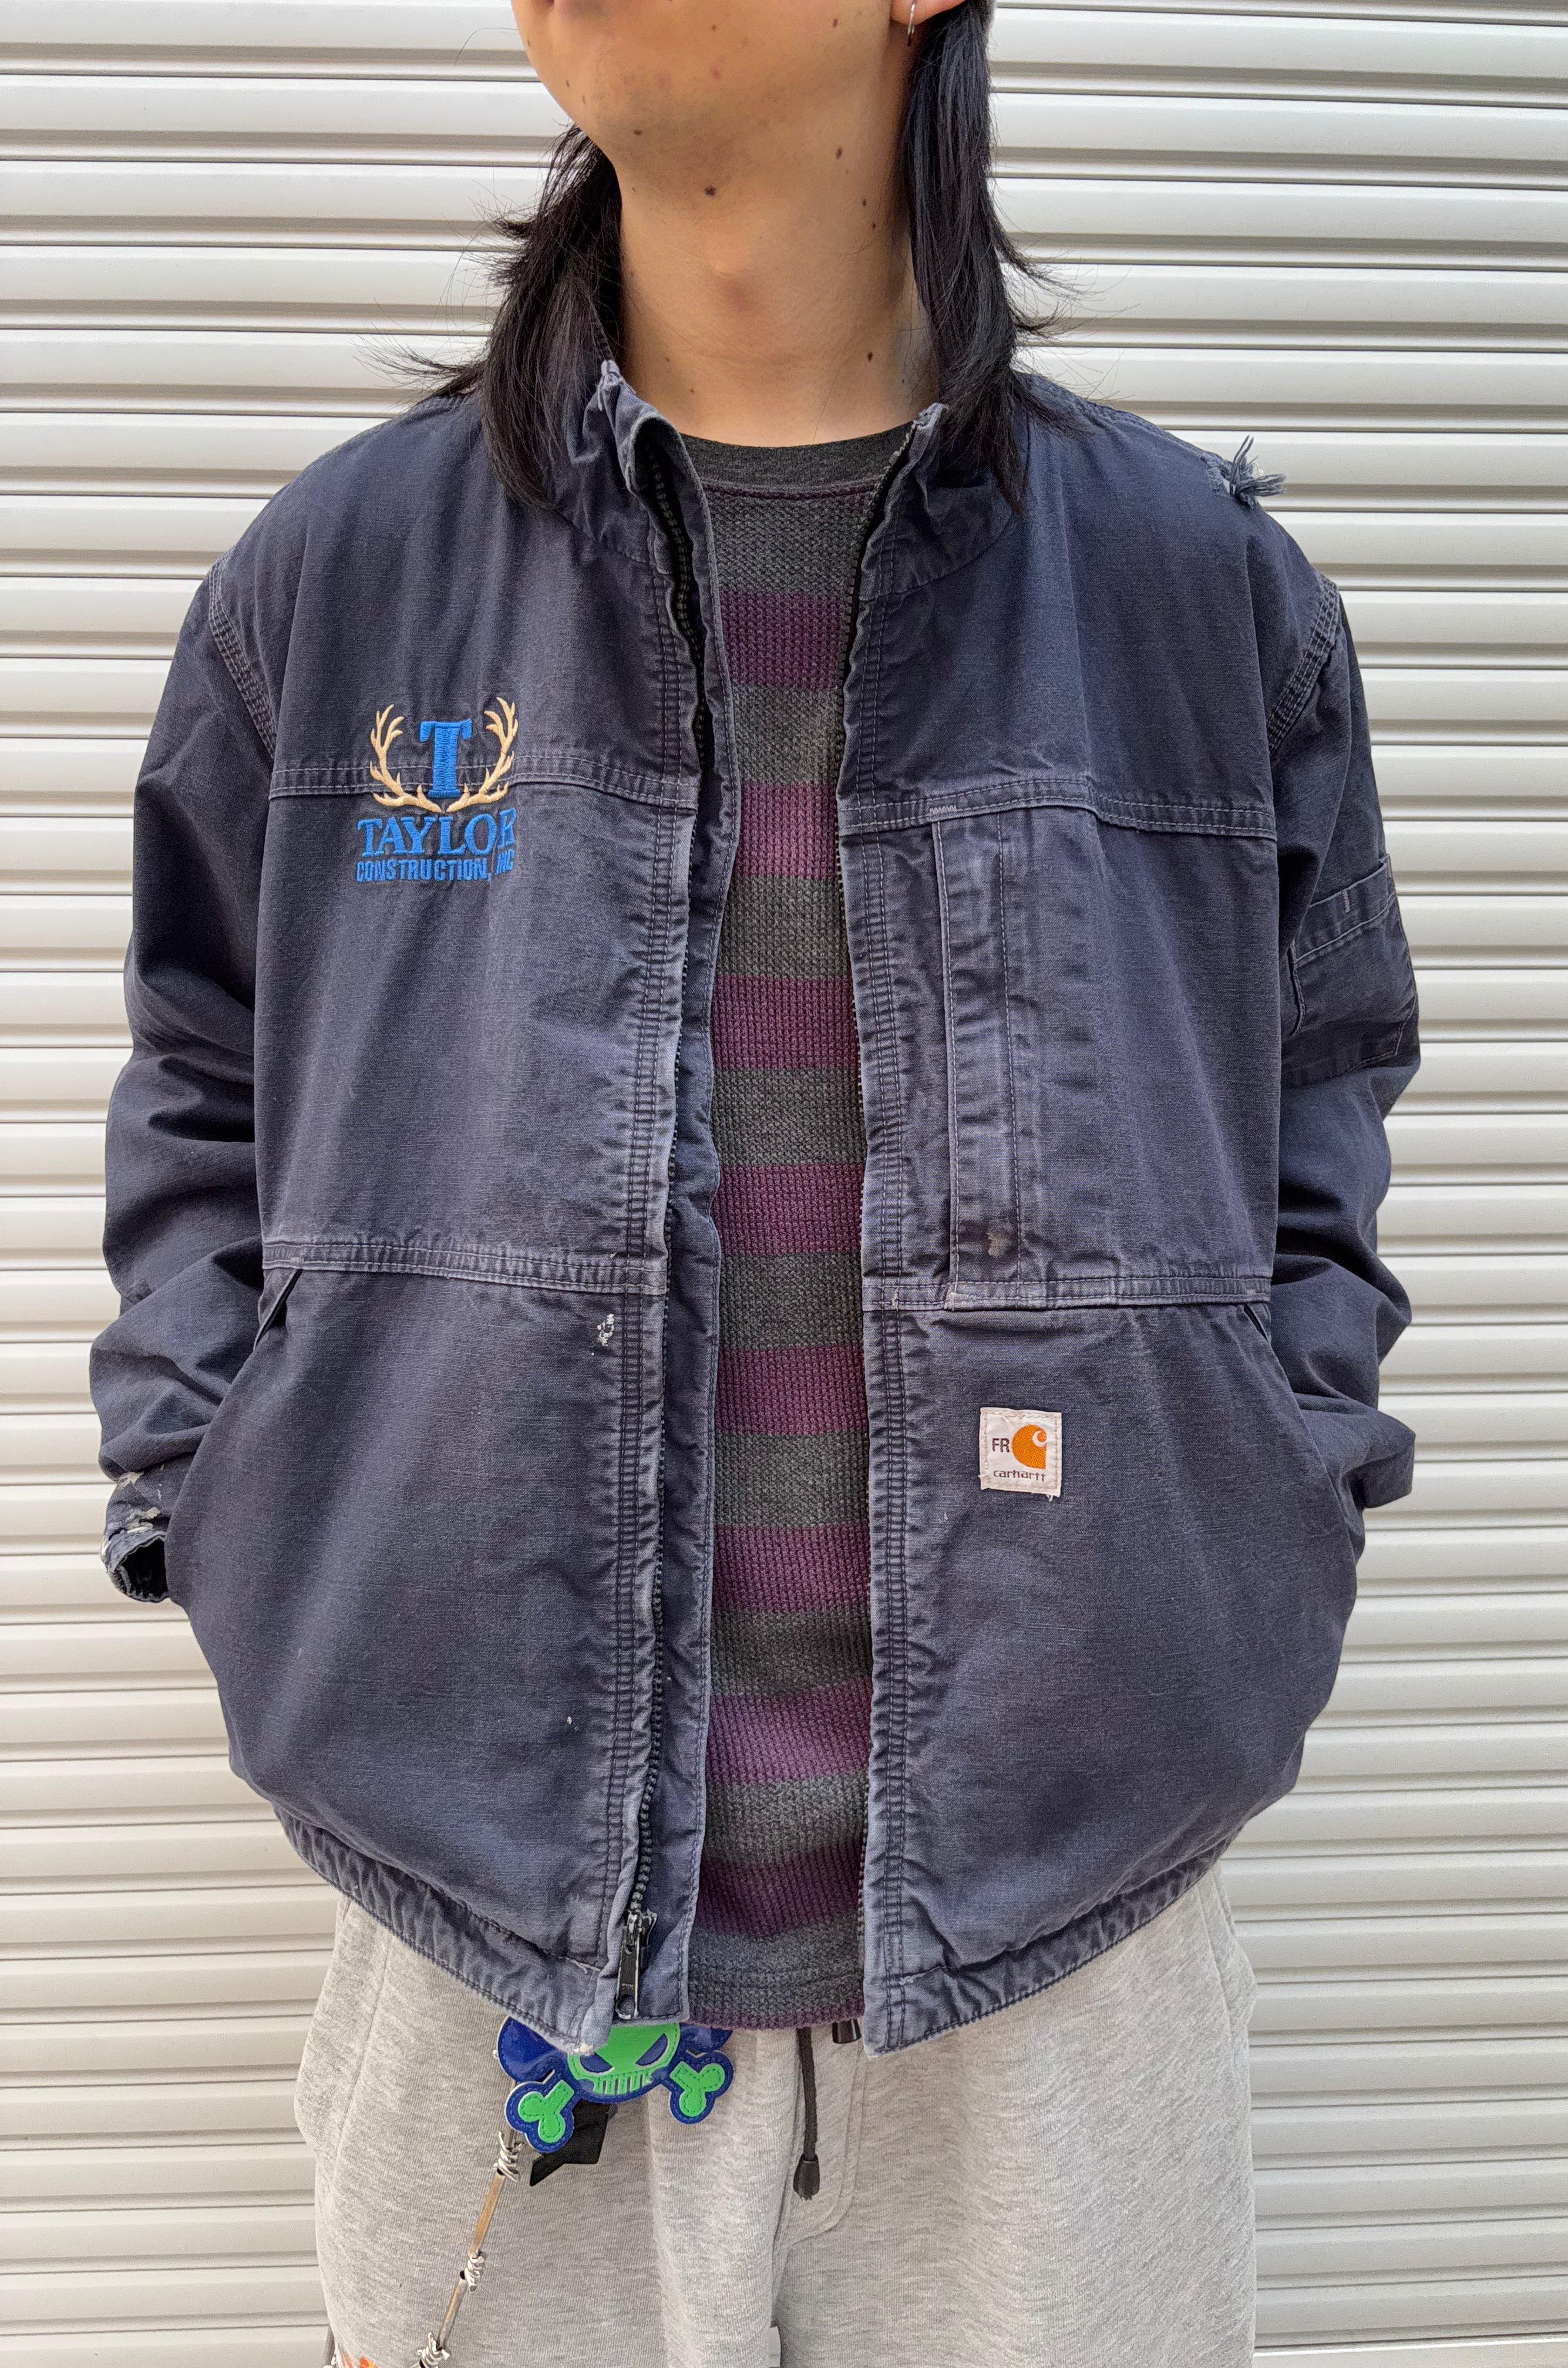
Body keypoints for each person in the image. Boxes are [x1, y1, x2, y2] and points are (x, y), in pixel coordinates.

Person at [90, 0, 1419, 2355]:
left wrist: (1275, 1473)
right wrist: (231, 1489)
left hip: (1066, 1939)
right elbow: (202, 1081)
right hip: (477, 1928)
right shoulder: (343, 584)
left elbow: (1318, 1104)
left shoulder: (1196, 600)